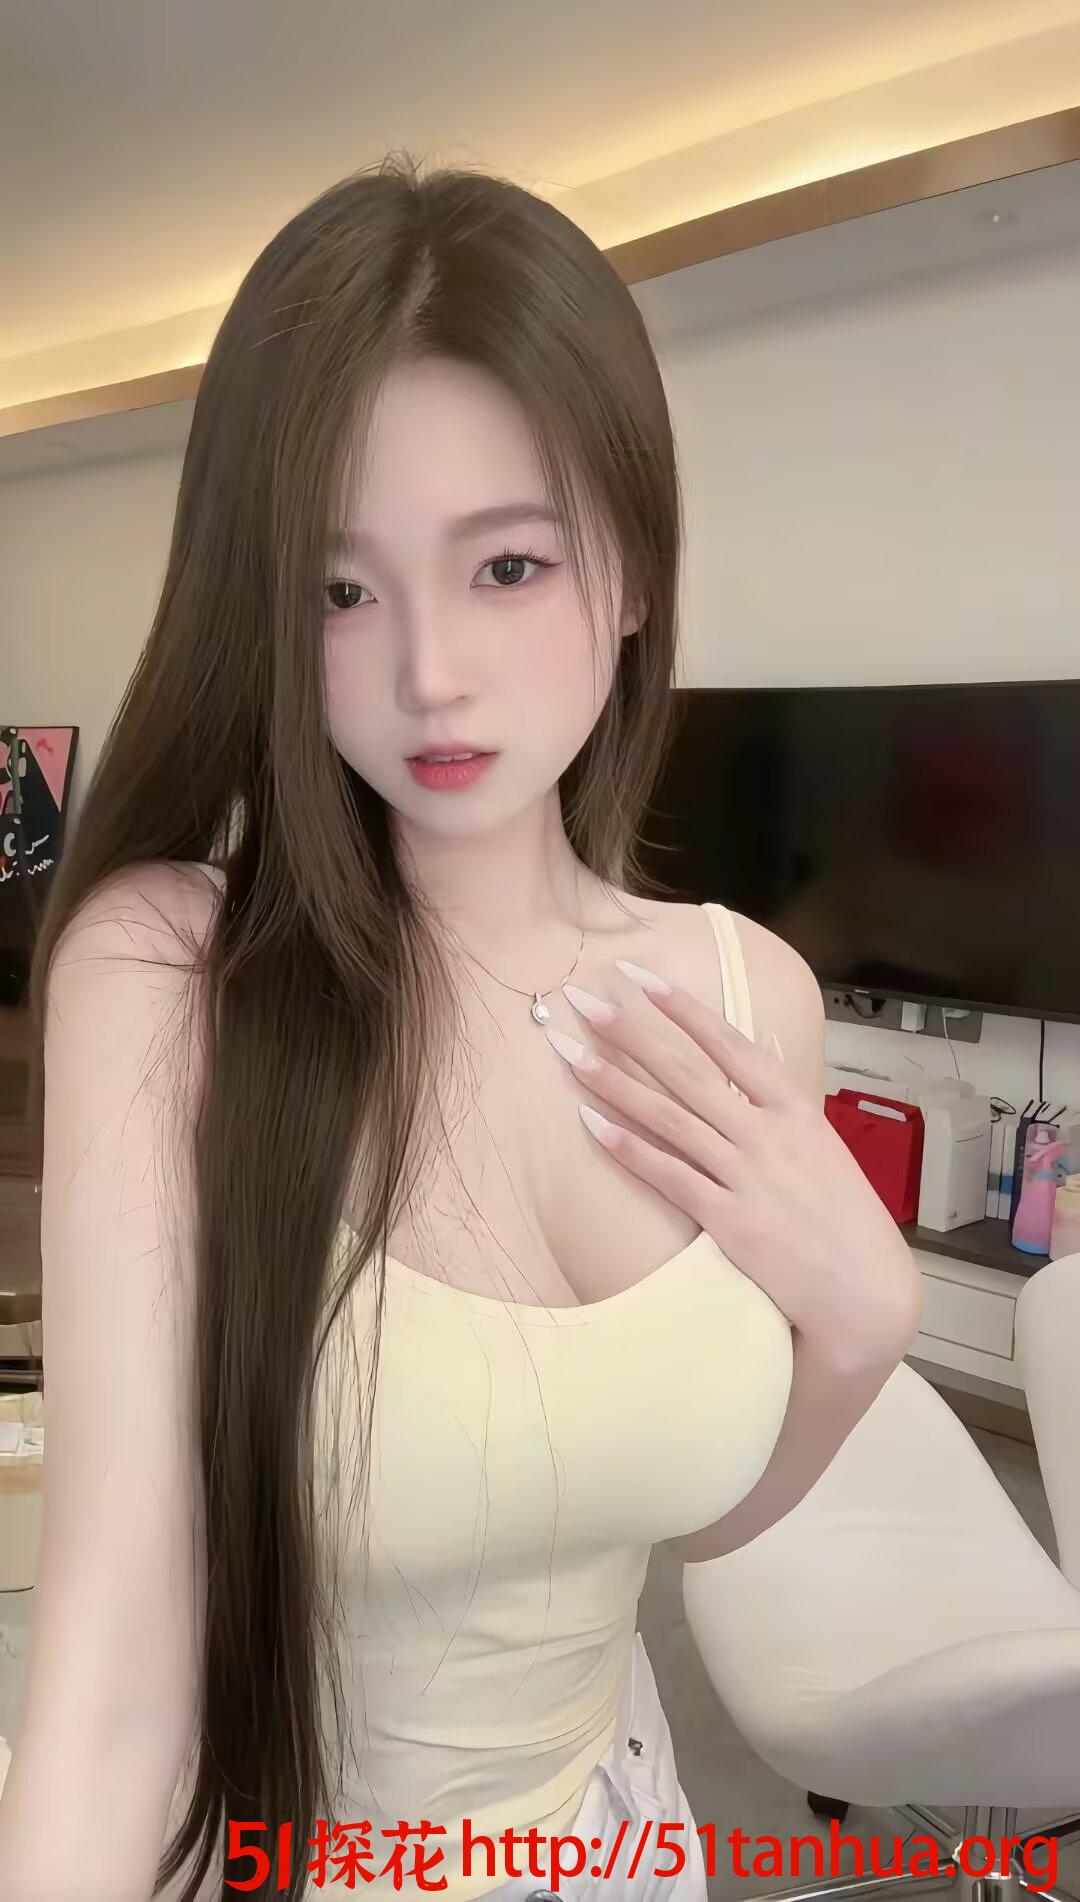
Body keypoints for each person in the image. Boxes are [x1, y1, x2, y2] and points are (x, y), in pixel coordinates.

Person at [0, 152, 922, 1902]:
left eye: (506, 564)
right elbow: (111, 1682)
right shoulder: (173, 978)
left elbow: (693, 1515)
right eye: (340, 590)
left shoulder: (748, 997)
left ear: (632, 572)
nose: (430, 670)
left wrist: (863, 1325)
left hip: (629, 1836)